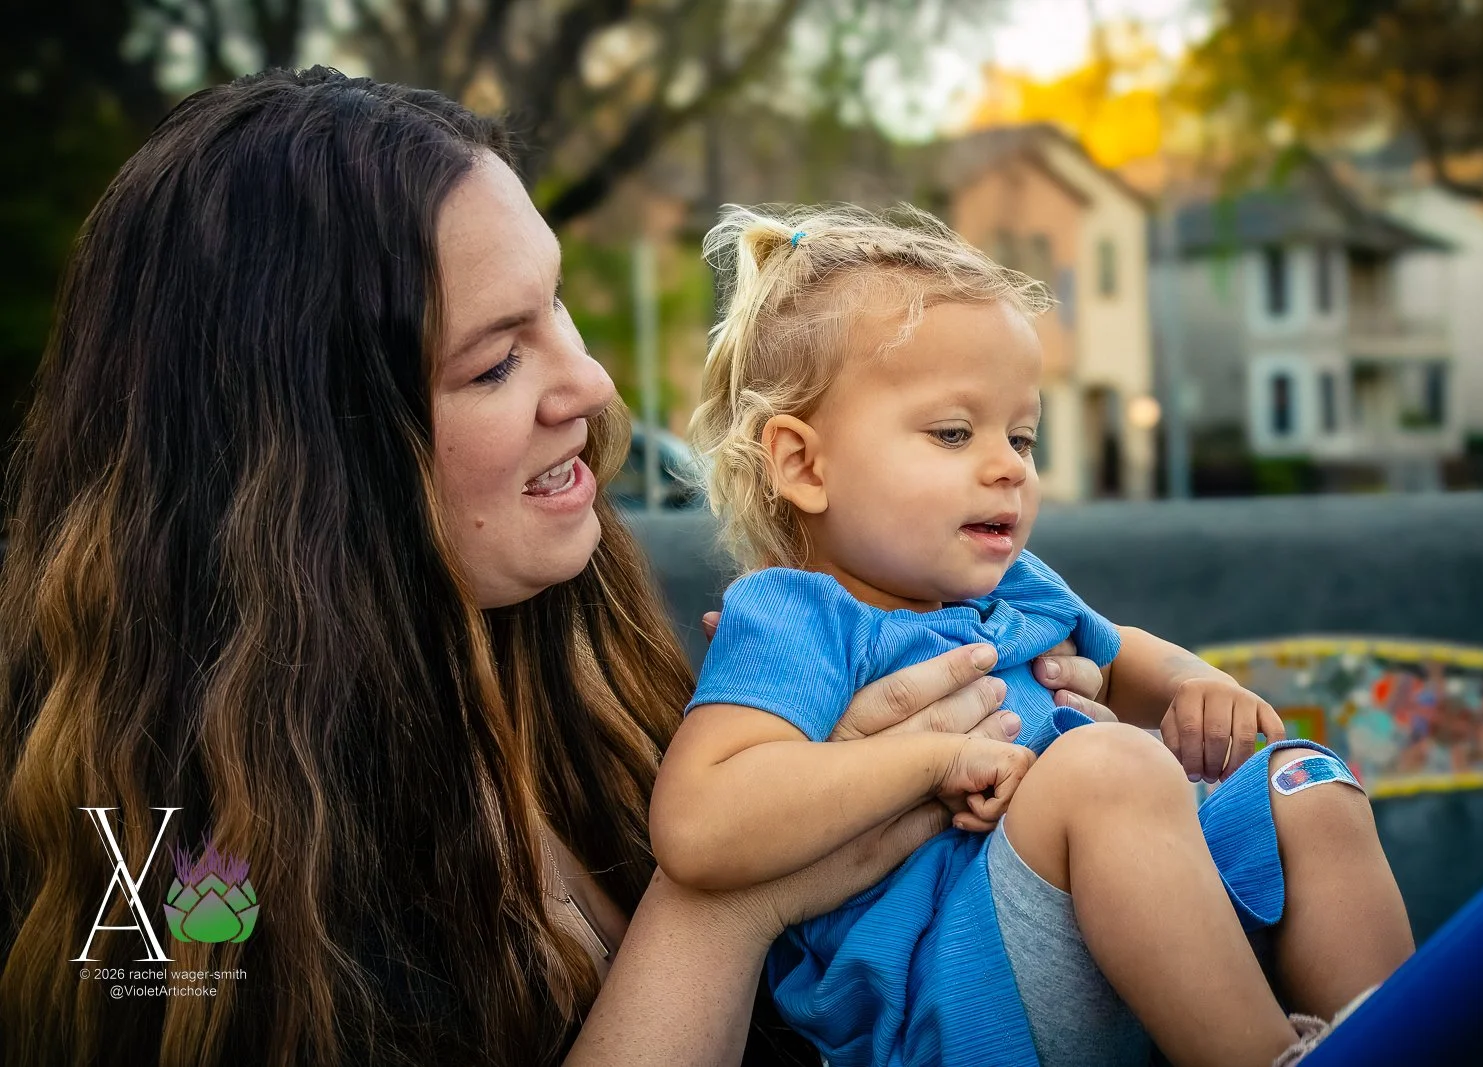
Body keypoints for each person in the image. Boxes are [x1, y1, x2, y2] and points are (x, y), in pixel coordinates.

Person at [0, 69, 1111, 1066]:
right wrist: (725, 902)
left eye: (559, 305)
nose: (586, 382)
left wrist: (1015, 738)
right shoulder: (171, 856)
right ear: (312, 460)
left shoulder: (597, 663)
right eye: (494, 361)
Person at [651, 205, 1417, 1067]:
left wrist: (1192, 683)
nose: (1010, 464)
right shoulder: (794, 616)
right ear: (804, 463)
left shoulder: (1017, 583)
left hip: (1098, 922)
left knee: (1306, 783)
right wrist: (932, 761)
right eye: (953, 432)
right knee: (1110, 765)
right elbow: (698, 824)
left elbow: (1120, 652)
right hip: (949, 989)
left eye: (1022, 435)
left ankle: (1397, 1038)